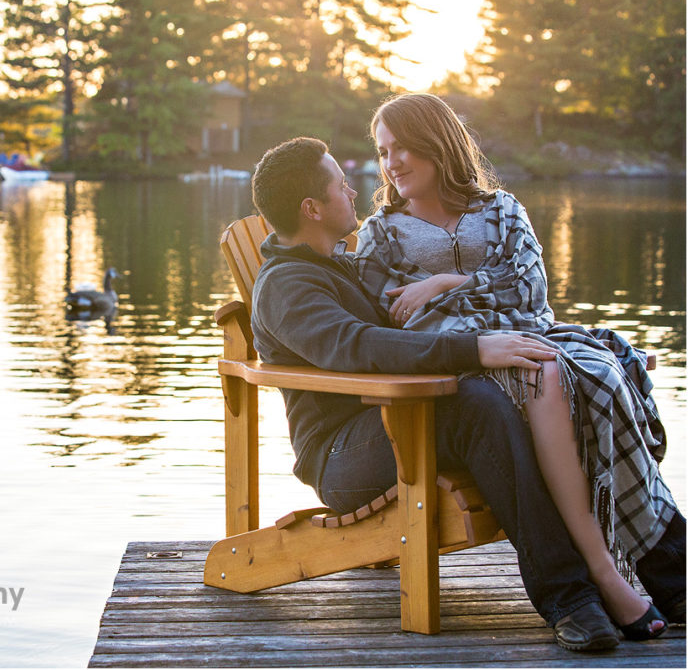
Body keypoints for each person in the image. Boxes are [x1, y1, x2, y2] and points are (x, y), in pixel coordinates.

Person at [249, 136, 685, 652]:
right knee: (477, 406)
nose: (353, 190)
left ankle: (667, 569)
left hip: (401, 419)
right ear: (312, 208)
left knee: (558, 386)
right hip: (342, 455)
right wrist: (477, 349)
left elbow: (416, 322)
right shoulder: (286, 285)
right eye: (340, 185)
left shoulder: (345, 265)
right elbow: (358, 346)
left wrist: (469, 301)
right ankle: (571, 596)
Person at [353, 92, 685, 640]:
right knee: (546, 371)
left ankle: (645, 566)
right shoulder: (381, 233)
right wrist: (477, 306)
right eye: (383, 152)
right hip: (463, 371)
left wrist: (442, 285)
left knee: (594, 376)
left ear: (437, 143)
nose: (392, 164)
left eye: (403, 147)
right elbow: (388, 316)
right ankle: (611, 571)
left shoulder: (501, 209)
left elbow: (531, 291)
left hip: (531, 342)